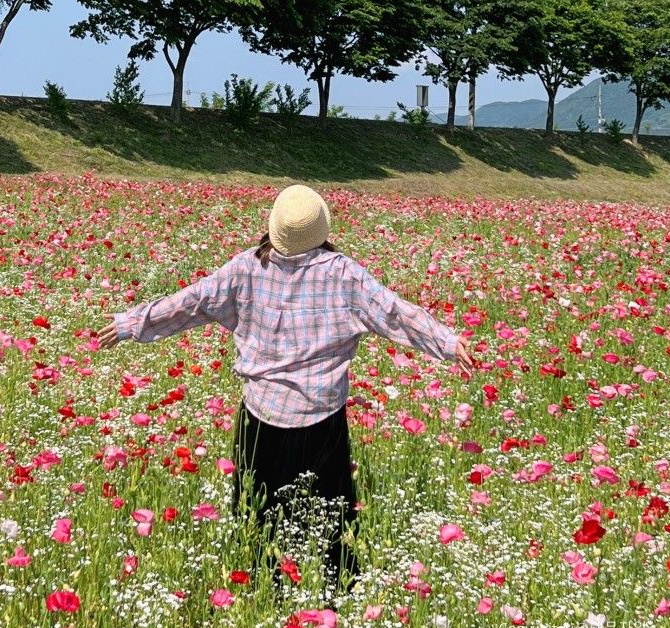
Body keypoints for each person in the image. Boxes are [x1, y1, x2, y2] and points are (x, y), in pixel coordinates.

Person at [97, 184, 473, 592]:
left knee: (259, 520)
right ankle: (338, 595)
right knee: (334, 520)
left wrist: (130, 323)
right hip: (320, 421)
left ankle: (264, 594)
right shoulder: (342, 274)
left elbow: (192, 302)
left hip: (262, 418)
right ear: (321, 229)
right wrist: (448, 343)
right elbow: (395, 313)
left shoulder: (246, 267)